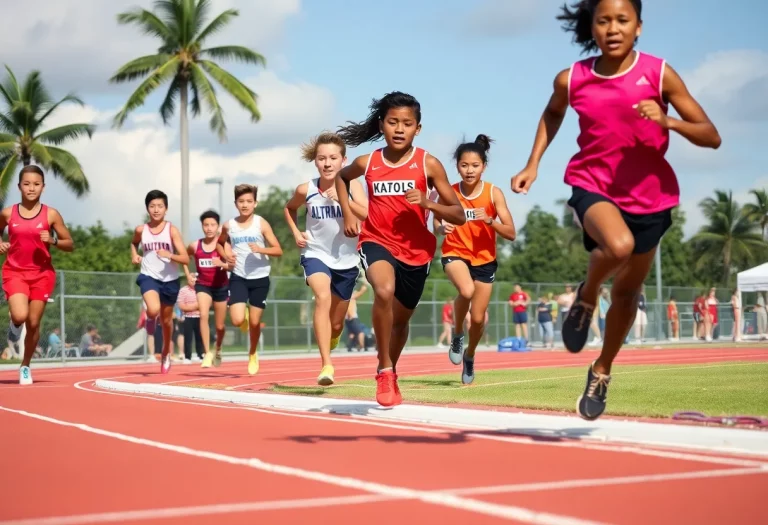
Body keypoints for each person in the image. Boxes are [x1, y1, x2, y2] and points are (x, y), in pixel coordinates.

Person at [510, 0, 721, 420]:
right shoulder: (573, 79)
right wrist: (533, 163)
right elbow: (552, 114)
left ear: (638, 27)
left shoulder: (659, 74)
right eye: (603, 20)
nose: (612, 28)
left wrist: (669, 122)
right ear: (592, 26)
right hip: (592, 184)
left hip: (651, 198)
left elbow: (711, 136)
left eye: (622, 20)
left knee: (626, 293)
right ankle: (587, 296)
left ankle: (602, 369)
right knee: (618, 246)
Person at [334, 91, 466, 406]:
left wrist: (427, 203)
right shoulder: (368, 162)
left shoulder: (428, 164)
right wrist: (349, 211)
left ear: (417, 129)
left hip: (417, 252)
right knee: (383, 290)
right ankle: (383, 368)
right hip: (376, 240)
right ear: (381, 125)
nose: (399, 129)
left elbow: (459, 213)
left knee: (401, 321)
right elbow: (341, 178)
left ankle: (391, 368)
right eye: (392, 122)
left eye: (407, 123)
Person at [284, 131, 369, 385]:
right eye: (322, 158)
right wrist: (296, 231)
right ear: (315, 161)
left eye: (333, 158)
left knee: (336, 323)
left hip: (347, 260)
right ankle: (326, 365)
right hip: (315, 253)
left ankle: (333, 335)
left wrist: (344, 201)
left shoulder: (353, 185)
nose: (327, 163)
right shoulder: (306, 189)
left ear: (344, 160)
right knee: (321, 297)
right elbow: (289, 208)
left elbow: (365, 215)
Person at [433, 134, 516, 384]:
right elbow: (436, 217)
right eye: (464, 165)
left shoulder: (493, 194)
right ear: (457, 166)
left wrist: (490, 221)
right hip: (455, 252)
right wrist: (439, 228)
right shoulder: (449, 192)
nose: (469, 170)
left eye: (475, 165)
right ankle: (457, 334)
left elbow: (511, 232)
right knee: (466, 290)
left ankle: (469, 355)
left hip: (484, 259)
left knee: (478, 319)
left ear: (484, 166)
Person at [1, 165, 74, 384]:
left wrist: (52, 240)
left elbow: (70, 244)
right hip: (15, 272)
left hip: (42, 274)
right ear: (19, 187)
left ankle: (25, 365)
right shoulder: (7, 213)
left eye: (36, 184)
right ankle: (14, 325)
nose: (31, 188)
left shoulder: (51, 214)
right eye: (26, 184)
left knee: (33, 322)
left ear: (43, 187)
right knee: (21, 315)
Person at [218, 184, 283, 376]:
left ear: (255, 203)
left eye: (249, 201)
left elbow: (278, 250)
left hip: (260, 277)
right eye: (241, 201)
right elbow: (220, 243)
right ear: (236, 203)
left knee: (255, 323)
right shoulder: (229, 225)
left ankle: (253, 352)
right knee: (238, 320)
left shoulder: (261, 223)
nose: (245, 205)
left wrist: (261, 249)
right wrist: (226, 256)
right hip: (239, 276)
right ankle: (243, 316)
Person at [131, 189, 189, 374]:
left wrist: (169, 254)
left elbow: (185, 258)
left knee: (166, 322)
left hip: (170, 281)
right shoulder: (141, 230)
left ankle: (165, 352)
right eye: (152, 206)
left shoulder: (172, 231)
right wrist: (134, 254)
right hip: (149, 276)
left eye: (160, 206)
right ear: (147, 208)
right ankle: (150, 316)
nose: (156, 209)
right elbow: (133, 243)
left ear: (166, 209)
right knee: (153, 309)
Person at [185, 210, 231, 368]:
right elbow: (184, 258)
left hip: (221, 287)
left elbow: (233, 265)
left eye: (212, 225)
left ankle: (217, 348)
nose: (209, 228)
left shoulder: (224, 244)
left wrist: (222, 264)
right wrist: (188, 274)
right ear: (202, 226)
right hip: (203, 285)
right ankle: (207, 353)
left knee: (219, 326)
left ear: (218, 226)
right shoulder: (195, 245)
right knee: (203, 314)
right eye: (206, 225)